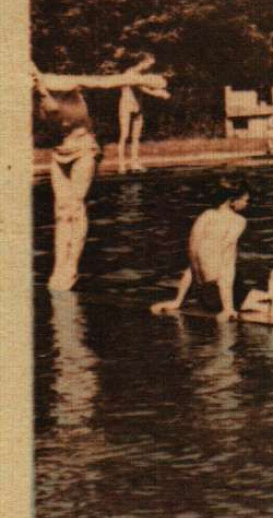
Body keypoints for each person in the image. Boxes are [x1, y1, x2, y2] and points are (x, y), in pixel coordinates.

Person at [33, 62, 169, 291]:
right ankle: (59, 265)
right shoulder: (21, 95)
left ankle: (71, 267)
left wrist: (144, 80)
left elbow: (102, 82)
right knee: (61, 212)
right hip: (59, 152)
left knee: (75, 206)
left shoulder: (56, 82)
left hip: (85, 147)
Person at [150, 179, 255, 323]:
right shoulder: (238, 221)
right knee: (266, 302)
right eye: (245, 200)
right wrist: (228, 308)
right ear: (232, 201)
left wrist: (177, 301)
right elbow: (226, 264)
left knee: (256, 296)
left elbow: (193, 261)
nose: (247, 204)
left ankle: (263, 297)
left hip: (202, 294)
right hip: (219, 297)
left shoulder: (205, 216)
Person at [114, 52, 170, 174]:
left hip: (138, 106)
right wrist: (159, 93)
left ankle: (134, 163)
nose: (150, 67)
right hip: (126, 106)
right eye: (149, 64)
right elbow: (142, 88)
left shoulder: (141, 75)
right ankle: (121, 164)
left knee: (136, 136)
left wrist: (159, 87)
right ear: (143, 62)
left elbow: (148, 85)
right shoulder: (129, 73)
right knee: (124, 135)